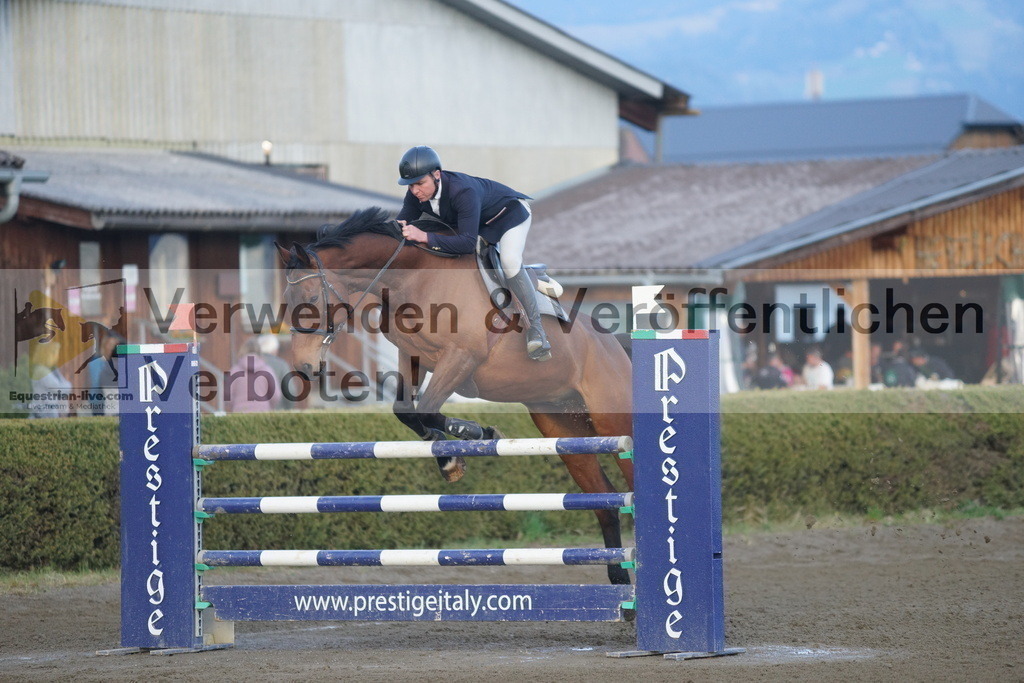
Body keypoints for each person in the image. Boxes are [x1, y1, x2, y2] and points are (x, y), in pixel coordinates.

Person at [394, 146, 549, 361]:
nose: (415, 191)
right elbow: (402, 222)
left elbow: (466, 243)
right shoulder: (416, 195)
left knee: (509, 261)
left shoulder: (462, 191)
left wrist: (424, 237)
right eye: (410, 186)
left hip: (509, 216)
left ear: (437, 175)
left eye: (420, 183)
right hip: (479, 223)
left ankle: (537, 330)